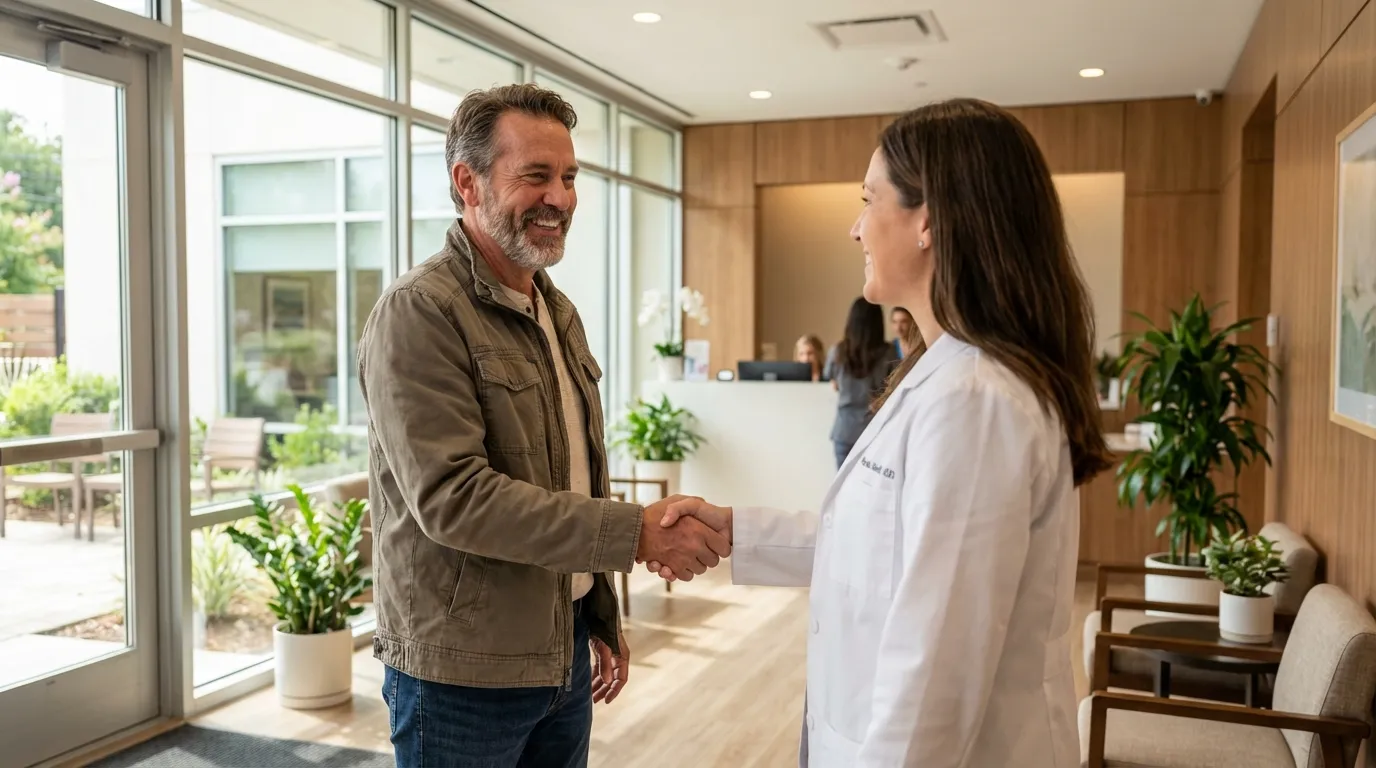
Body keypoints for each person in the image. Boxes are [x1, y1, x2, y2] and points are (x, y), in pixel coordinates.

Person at [647, 98, 1113, 767]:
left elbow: (936, 673)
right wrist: (734, 531)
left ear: (928, 220)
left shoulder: (975, 402)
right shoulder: (948, 373)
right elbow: (882, 547)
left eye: (869, 200)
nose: (855, 228)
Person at [357, 84, 730, 768]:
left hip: (562, 660)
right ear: (467, 182)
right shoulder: (419, 314)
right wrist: (635, 532)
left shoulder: (555, 311)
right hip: (461, 676)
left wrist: (599, 615)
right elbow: (454, 498)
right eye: (534, 176)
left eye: (568, 177)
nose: (559, 197)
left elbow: (571, 475)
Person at [823, 299, 898, 468]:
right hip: (874, 431)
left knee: (842, 492)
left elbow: (831, 380)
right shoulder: (889, 353)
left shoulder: (837, 351)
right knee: (871, 490)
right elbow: (895, 387)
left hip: (844, 430)